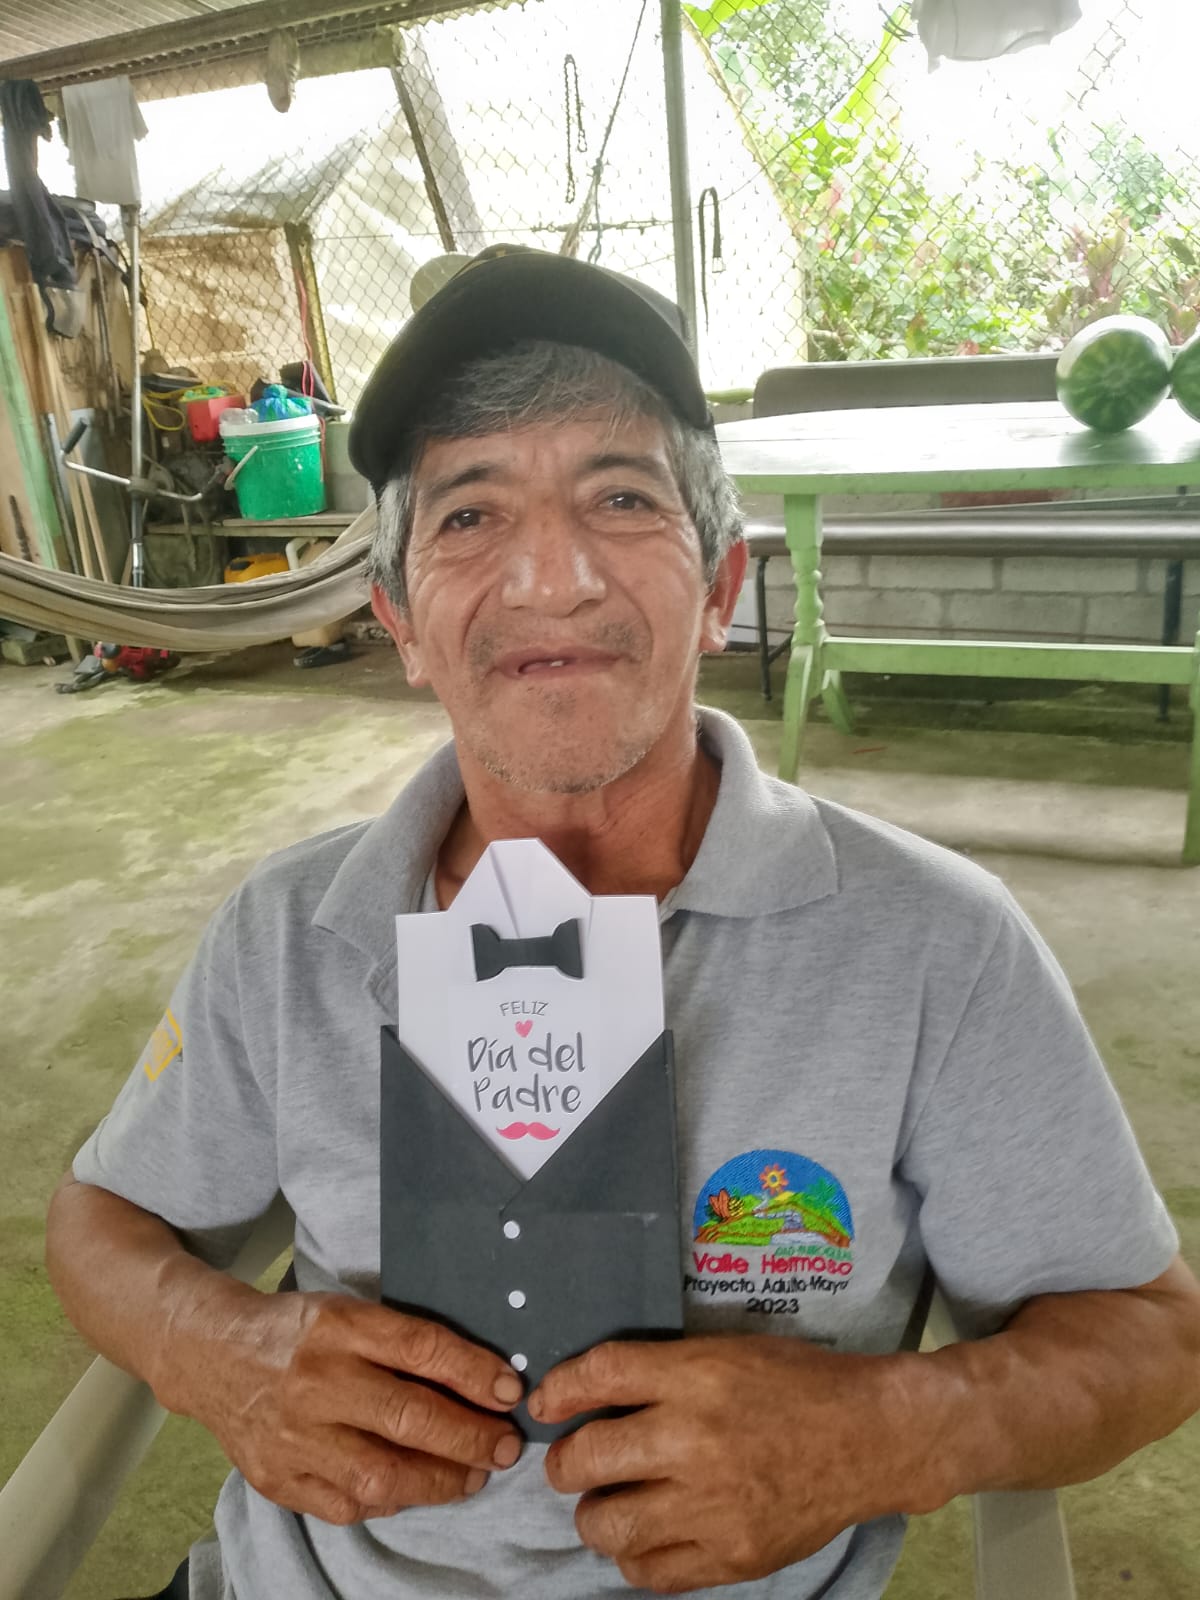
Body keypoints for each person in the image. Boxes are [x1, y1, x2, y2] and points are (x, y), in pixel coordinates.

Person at [47, 248, 1200, 1600]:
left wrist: (893, 1431)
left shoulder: (938, 945)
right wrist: (215, 1351)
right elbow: (100, 1220)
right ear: (400, 622)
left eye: (621, 497)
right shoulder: (290, 930)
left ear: (720, 590)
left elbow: (1149, 1336)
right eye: (471, 514)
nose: (552, 575)